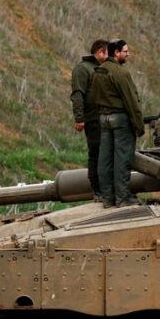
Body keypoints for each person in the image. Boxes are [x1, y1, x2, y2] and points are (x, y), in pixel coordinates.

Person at [90, 40, 144, 207]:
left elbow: (93, 98)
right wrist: (139, 125)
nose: (128, 54)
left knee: (104, 160)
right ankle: (122, 198)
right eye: (125, 51)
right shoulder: (120, 73)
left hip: (103, 119)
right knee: (122, 159)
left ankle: (107, 198)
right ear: (116, 53)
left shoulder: (98, 72)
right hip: (120, 119)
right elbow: (131, 101)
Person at [70, 39, 107, 200]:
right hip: (93, 119)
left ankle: (105, 188)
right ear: (99, 52)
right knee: (96, 153)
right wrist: (80, 118)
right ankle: (97, 189)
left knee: (105, 153)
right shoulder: (83, 69)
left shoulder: (102, 68)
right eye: (106, 52)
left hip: (105, 117)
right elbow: (78, 94)